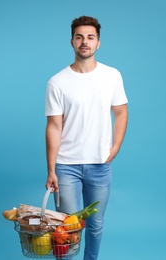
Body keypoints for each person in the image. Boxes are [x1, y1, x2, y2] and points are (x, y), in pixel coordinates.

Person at [45, 15, 128, 260]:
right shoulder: (57, 82)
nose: (85, 41)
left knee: (95, 225)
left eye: (90, 37)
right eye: (79, 37)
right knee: (67, 228)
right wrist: (51, 170)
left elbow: (121, 113)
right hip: (66, 167)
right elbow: (53, 127)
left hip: (100, 166)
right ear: (72, 42)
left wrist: (115, 148)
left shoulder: (112, 76)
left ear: (98, 43)